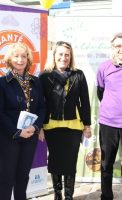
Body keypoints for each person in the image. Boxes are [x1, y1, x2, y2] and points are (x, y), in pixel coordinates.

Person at [39, 41, 91, 200]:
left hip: (73, 126)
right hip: (51, 126)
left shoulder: (78, 74)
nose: (64, 57)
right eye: (60, 54)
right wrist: (40, 126)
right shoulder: (44, 76)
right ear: (54, 56)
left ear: (71, 56)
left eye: (67, 55)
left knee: (70, 162)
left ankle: (68, 196)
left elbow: (85, 101)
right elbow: (41, 103)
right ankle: (57, 195)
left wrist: (87, 125)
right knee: (54, 161)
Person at [0, 42, 46, 200]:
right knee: (6, 178)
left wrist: (35, 127)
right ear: (9, 59)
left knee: (23, 177)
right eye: (16, 56)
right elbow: (1, 113)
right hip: (9, 137)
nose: (20, 59)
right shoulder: (2, 83)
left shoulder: (35, 81)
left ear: (28, 59)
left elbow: (42, 107)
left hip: (30, 136)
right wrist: (17, 131)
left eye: (24, 56)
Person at [97, 32, 122, 200]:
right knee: (106, 164)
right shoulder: (104, 67)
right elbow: (101, 92)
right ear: (112, 48)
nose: (120, 49)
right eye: (117, 46)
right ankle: (106, 196)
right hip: (108, 124)